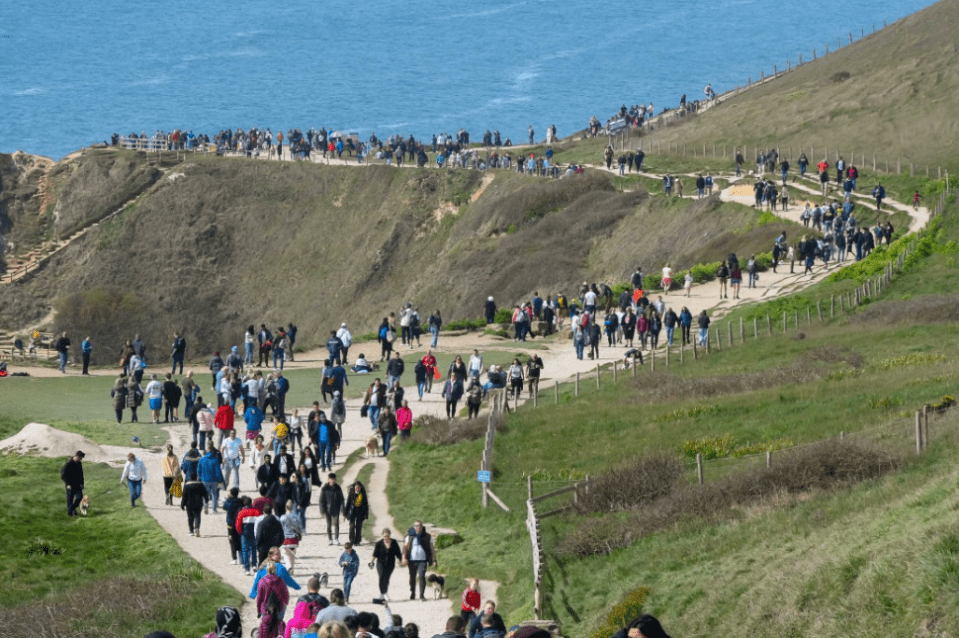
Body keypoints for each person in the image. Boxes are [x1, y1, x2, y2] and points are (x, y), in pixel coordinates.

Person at [403, 520, 436, 601]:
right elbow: (405, 548)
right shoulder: (409, 536)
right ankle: (413, 592)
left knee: (421, 576)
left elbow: (432, 549)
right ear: (414, 527)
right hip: (412, 560)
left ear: (422, 527)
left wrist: (434, 560)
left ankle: (422, 595)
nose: (418, 527)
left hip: (422, 560)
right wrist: (403, 558)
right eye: (416, 526)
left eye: (419, 526)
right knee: (412, 577)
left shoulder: (427, 536)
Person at [373, 528, 403, 600]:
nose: (386, 537)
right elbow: (374, 554)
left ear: (389, 535)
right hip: (380, 563)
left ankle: (385, 592)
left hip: (390, 564)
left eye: (387, 536)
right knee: (381, 577)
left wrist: (402, 560)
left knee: (387, 578)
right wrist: (371, 562)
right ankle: (382, 593)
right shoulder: (379, 544)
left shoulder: (394, 542)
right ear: (382, 536)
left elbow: (398, 553)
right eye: (384, 536)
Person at [181, 470, 208, 536]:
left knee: (190, 517)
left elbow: (184, 496)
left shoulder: (186, 486)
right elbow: (205, 494)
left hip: (189, 503)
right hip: (198, 503)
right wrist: (206, 501)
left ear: (190, 477)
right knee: (197, 516)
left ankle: (191, 531)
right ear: (196, 477)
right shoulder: (200, 484)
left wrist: (182, 504)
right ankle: (197, 527)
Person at [320, 473, 344, 545]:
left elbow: (341, 500)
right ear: (328, 479)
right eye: (330, 479)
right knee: (328, 524)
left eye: (333, 479)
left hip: (336, 509)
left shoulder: (338, 488)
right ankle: (330, 539)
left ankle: (336, 539)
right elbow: (321, 500)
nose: (332, 480)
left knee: (336, 524)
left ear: (335, 479)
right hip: (327, 510)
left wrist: (342, 509)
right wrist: (322, 510)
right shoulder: (324, 488)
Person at [61, 450, 85, 516]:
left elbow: (81, 474)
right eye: (80, 458)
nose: (81, 459)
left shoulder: (79, 463)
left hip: (77, 485)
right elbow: (63, 475)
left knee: (79, 497)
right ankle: (70, 515)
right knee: (70, 500)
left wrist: (82, 484)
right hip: (70, 486)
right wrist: (68, 484)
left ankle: (72, 508)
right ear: (77, 456)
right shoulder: (69, 464)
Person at [344, 481, 369, 545]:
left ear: (360, 488)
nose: (357, 489)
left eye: (358, 488)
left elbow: (366, 504)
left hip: (360, 512)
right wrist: (345, 513)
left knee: (359, 527)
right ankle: (352, 540)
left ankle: (357, 541)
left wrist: (366, 515)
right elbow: (348, 503)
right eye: (356, 487)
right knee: (352, 526)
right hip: (352, 512)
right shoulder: (351, 493)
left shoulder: (362, 494)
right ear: (354, 487)